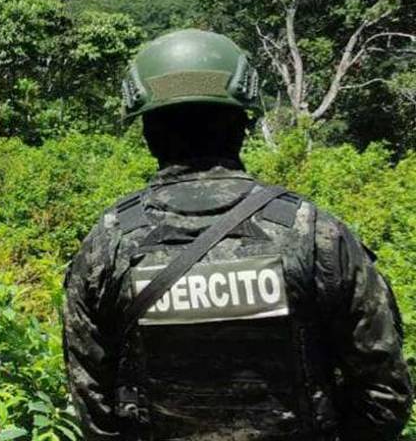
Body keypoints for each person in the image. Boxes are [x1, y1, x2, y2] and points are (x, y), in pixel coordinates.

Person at [63, 29, 412, 440]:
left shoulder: (110, 243)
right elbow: (384, 393)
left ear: (147, 131)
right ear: (243, 124)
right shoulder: (314, 232)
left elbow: (93, 407)